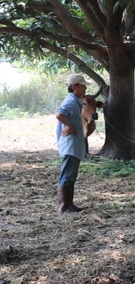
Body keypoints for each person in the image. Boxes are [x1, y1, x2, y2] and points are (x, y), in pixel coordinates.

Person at [55, 74, 92, 214]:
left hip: (74, 144)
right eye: (82, 85)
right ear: (74, 87)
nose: (85, 88)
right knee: (67, 174)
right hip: (70, 144)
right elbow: (59, 114)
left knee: (71, 175)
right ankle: (64, 207)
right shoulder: (70, 101)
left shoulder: (76, 101)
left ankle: (70, 205)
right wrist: (69, 126)